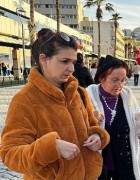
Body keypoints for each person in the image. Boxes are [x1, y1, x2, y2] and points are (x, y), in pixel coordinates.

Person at [0, 28, 110, 179]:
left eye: (73, 62)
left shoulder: (79, 93)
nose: (71, 68)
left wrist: (97, 136)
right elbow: (10, 155)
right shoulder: (25, 100)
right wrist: (52, 147)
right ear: (44, 59)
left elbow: (91, 125)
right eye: (64, 61)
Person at [86, 55, 140, 180]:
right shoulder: (87, 96)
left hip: (125, 164)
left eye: (123, 80)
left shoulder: (127, 96)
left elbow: (139, 130)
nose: (120, 84)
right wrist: (88, 119)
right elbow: (75, 129)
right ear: (101, 78)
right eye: (114, 80)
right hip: (99, 165)